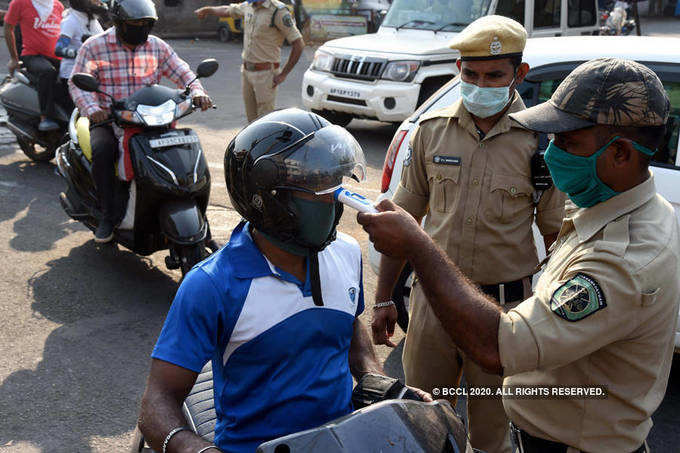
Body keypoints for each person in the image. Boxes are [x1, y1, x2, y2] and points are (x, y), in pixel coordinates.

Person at [359, 58, 677, 453]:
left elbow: (499, 347)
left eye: (568, 143)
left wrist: (419, 247)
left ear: (622, 154)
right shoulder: (617, 206)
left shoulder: (622, 259)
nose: (552, 154)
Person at [137, 108, 430, 453]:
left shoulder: (346, 252)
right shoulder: (211, 286)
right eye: (319, 185)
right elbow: (157, 403)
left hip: (343, 441)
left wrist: (376, 380)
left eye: (336, 181)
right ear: (270, 198)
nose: (337, 196)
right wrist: (194, 449)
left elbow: (348, 329)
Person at [370, 15, 565, 453]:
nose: (480, 84)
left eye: (494, 75)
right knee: (423, 424)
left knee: (491, 438)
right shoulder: (431, 131)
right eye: (470, 74)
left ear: (520, 74)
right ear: (458, 69)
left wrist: (555, 326)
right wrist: (384, 298)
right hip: (432, 309)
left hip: (503, 317)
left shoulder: (541, 144)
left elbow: (558, 241)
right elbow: (401, 221)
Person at [68, 0, 212, 243]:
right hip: (110, 120)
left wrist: (197, 91)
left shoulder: (156, 46)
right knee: (104, 151)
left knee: (180, 152)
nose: (141, 29)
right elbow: (77, 83)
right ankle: (108, 215)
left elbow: (182, 72)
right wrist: (92, 109)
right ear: (118, 22)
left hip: (152, 120)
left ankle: (195, 216)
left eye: (146, 24)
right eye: (134, 24)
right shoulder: (95, 47)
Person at [194, 0, 304, 123]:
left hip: (266, 74)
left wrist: (284, 74)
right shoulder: (249, 6)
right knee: (251, 121)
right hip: (247, 71)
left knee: (264, 122)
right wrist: (207, 10)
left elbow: (298, 44)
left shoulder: (278, 11)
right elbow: (227, 10)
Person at [4, 0, 64, 131]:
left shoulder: (58, 6)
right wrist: (14, 58)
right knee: (47, 72)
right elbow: (8, 28)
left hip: (56, 56)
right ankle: (46, 117)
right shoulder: (19, 3)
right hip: (32, 55)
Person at [54, 0, 106, 113]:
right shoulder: (71, 21)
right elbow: (58, 49)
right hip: (73, 75)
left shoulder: (93, 21)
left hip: (94, 74)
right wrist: (82, 53)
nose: (99, 2)